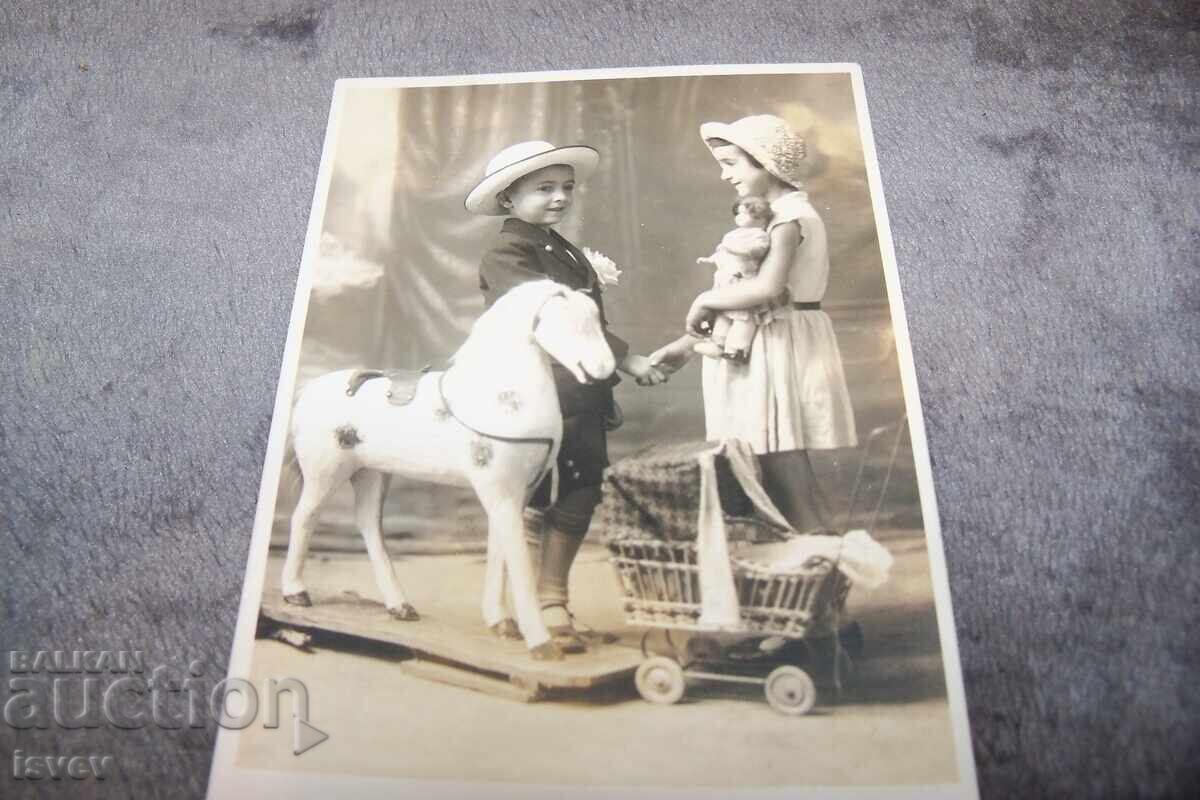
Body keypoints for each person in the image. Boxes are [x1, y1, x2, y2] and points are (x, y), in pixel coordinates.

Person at [466, 140, 666, 654]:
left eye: (567, 188)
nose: (560, 197)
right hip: (543, 389)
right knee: (536, 493)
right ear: (509, 199)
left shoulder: (558, 246)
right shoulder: (508, 253)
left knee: (580, 488)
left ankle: (550, 598)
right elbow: (553, 317)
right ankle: (538, 604)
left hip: (579, 387)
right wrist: (627, 359)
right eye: (544, 189)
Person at [651, 115, 857, 533]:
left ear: (766, 163)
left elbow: (765, 289)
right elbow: (739, 294)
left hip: (777, 338)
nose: (724, 175)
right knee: (769, 455)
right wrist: (685, 346)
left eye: (732, 164)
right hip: (764, 334)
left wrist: (703, 299)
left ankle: (818, 549)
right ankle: (808, 549)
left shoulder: (788, 220)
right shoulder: (774, 217)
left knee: (778, 454)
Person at [692, 195, 773, 361]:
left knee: (743, 316)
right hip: (726, 280)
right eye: (738, 214)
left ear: (759, 217)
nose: (739, 217)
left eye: (744, 214)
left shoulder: (759, 235)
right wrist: (710, 259)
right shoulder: (733, 235)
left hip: (742, 279)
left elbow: (757, 251)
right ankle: (718, 345)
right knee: (723, 314)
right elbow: (722, 252)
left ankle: (737, 349)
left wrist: (734, 249)